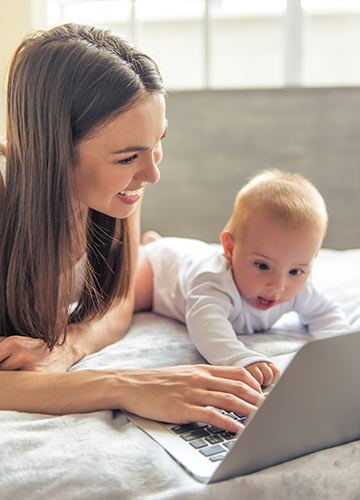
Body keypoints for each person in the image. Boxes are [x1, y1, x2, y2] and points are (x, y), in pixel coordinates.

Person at [0, 23, 263, 432]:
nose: (152, 173)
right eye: (127, 158)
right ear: (51, 149)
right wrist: (122, 384)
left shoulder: (116, 195)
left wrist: (70, 347)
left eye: (158, 141)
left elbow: (120, 299)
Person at [135, 170, 351, 387]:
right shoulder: (213, 282)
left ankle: (154, 241)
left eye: (295, 271)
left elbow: (327, 315)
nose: (277, 286)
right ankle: (151, 246)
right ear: (230, 248)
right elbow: (207, 326)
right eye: (263, 266)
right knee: (127, 298)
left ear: (312, 259)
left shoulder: (300, 287)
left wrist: (342, 350)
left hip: (188, 256)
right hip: (160, 270)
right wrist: (240, 359)